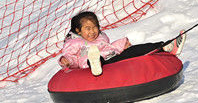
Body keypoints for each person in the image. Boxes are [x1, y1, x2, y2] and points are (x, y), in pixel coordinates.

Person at [58, 11, 186, 76]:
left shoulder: (101, 38)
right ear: (78, 30)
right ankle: (95, 64)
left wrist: (122, 44)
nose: (92, 31)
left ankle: (167, 46)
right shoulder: (75, 43)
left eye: (95, 27)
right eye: (88, 28)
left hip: (112, 58)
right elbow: (71, 57)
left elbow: (110, 48)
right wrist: (66, 60)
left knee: (134, 50)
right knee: (94, 58)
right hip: (91, 65)